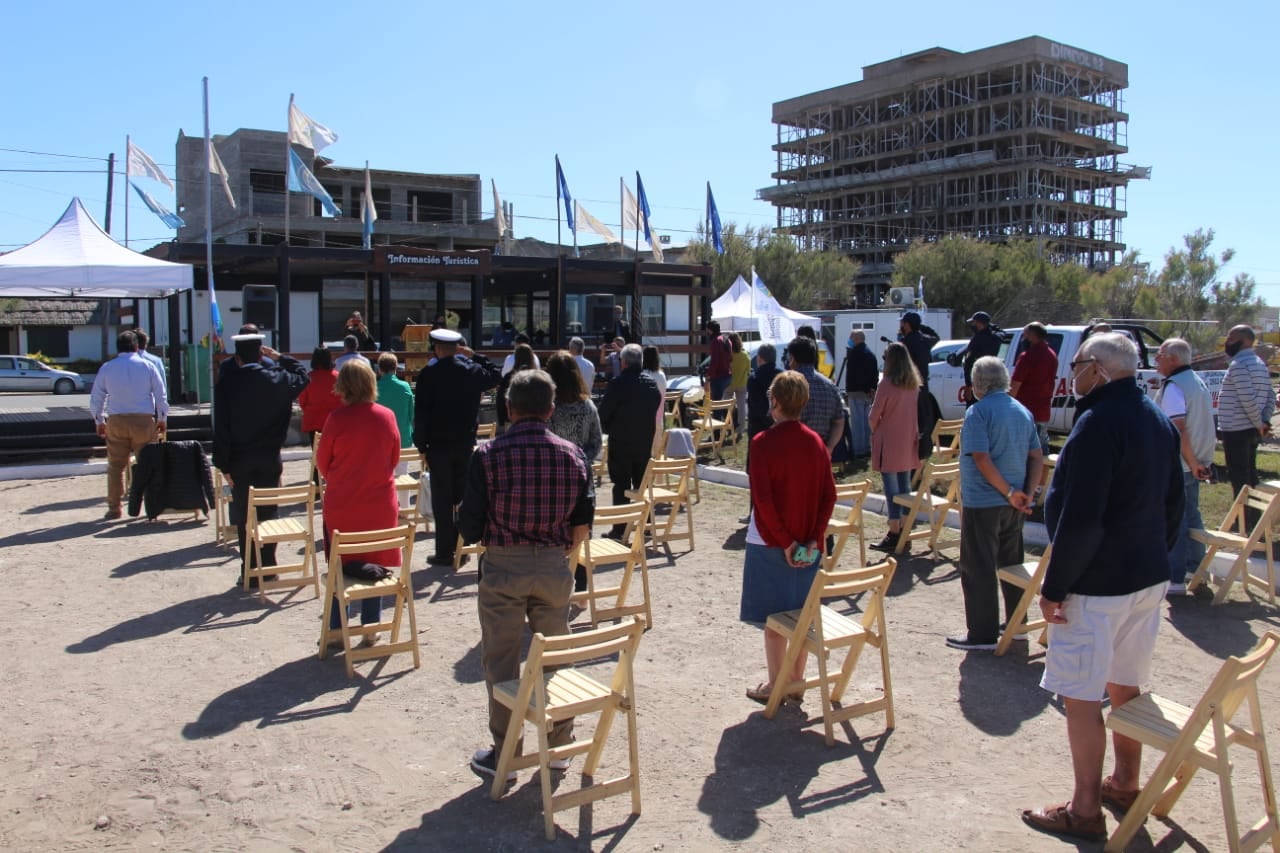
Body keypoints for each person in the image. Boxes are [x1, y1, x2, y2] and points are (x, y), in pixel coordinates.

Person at [1021, 333, 1182, 844]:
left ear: (1099, 368)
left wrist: (1056, 585)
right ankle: (1126, 781)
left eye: (1079, 363)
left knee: (1082, 695)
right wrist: (1152, 553)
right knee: (1125, 682)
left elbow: (1081, 518)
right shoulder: (1153, 416)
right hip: (1146, 576)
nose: (1073, 371)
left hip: (1099, 585)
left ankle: (1085, 806)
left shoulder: (1097, 423)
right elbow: (1172, 504)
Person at [457, 369, 594, 779]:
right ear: (551, 409)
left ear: (509, 407)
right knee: (556, 655)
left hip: (503, 564)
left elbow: (470, 527)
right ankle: (559, 745)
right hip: (553, 562)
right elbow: (582, 520)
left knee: (501, 660)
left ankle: (507, 753)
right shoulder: (573, 455)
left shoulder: (487, 455)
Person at [740, 370, 837, 704]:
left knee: (774, 621)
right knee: (800, 614)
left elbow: (763, 500)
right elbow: (829, 497)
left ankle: (776, 684)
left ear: (775, 401)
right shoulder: (816, 442)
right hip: (807, 542)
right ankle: (796, 679)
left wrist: (787, 541)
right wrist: (813, 538)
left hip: (771, 542)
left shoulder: (762, 444)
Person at [947, 356, 1043, 651]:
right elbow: (1036, 456)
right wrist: (1027, 491)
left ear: (978, 383)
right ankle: (1018, 624)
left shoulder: (978, 412)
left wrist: (1009, 491)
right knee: (1010, 562)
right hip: (1014, 503)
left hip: (985, 501)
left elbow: (981, 458)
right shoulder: (1022, 411)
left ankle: (982, 633)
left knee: (978, 566)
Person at [315, 359, 402, 647]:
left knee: (342, 561)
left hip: (343, 503)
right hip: (380, 502)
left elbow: (323, 463)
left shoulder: (336, 419)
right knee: (373, 560)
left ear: (343, 386)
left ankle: (338, 629)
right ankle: (370, 626)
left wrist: (344, 478)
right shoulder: (387, 416)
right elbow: (394, 458)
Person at [212, 333, 309, 587]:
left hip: (239, 459)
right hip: (269, 456)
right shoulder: (277, 379)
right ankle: (268, 566)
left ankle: (250, 569)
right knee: (269, 512)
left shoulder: (227, 383)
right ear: (261, 354)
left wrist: (223, 464)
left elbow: (220, 427)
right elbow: (303, 376)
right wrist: (280, 357)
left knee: (245, 515)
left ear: (237, 358)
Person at [413, 328, 502, 567]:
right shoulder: (472, 370)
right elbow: (496, 375)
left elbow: (420, 415)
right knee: (462, 498)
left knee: (442, 501)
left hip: (438, 446)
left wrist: (421, 444)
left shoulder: (428, 374)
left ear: (437, 348)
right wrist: (475, 356)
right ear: (457, 348)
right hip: (464, 444)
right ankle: (463, 547)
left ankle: (445, 551)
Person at [1155, 338, 1215, 594]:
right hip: (1196, 461)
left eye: (1160, 355)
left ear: (1173, 358)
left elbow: (1178, 431)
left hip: (1182, 464)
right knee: (1191, 514)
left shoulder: (1175, 386)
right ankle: (1195, 569)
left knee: (1176, 519)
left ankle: (1176, 577)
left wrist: (1191, 462)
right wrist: (1199, 464)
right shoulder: (1195, 381)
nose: (1156, 359)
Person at [90, 330, 168, 520]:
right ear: (136, 346)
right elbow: (160, 394)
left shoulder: (107, 368)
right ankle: (151, 505)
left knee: (116, 466)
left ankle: (114, 507)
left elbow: (96, 397)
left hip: (116, 420)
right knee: (147, 464)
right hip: (143, 419)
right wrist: (162, 418)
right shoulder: (148, 366)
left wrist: (99, 420)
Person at [597, 344, 661, 532]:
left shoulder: (618, 384)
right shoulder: (651, 384)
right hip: (643, 443)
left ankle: (620, 529)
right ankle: (647, 525)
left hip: (621, 443)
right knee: (642, 486)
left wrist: (610, 428)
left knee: (621, 486)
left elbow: (604, 413)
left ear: (623, 362)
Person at [1217, 324, 1274, 522]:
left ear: (1245, 341)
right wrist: (1263, 421)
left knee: (1239, 477)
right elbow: (1270, 396)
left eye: (1231, 338)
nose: (1227, 342)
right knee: (1249, 474)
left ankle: (1241, 521)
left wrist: (1260, 423)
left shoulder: (1240, 365)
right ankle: (1253, 518)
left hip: (1237, 429)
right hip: (1250, 428)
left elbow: (1247, 398)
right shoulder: (1259, 363)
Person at [868, 343, 920, 552]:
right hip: (908, 439)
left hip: (888, 440)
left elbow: (873, 416)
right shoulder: (913, 384)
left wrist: (876, 429)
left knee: (891, 489)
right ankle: (905, 531)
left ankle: (894, 530)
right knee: (904, 488)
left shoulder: (887, 384)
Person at [786, 336, 845, 457]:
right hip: (821, 449)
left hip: (794, 449)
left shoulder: (787, 385)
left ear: (793, 358)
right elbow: (839, 421)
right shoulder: (830, 386)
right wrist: (830, 447)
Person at [1009, 322, 1058, 455]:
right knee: (1041, 448)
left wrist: (1006, 405)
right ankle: (1041, 475)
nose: (1023, 339)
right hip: (1043, 408)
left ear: (1032, 336)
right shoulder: (1052, 355)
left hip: (1026, 409)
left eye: (1025, 336)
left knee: (1025, 451)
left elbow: (1015, 385)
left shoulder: (1028, 356)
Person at [297, 347, 342, 483]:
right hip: (335, 423)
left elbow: (302, 401)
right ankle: (336, 481)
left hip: (314, 422)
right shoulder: (338, 377)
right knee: (337, 454)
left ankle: (317, 485)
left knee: (316, 454)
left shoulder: (308, 378)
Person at [844, 330, 878, 458]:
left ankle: (859, 450)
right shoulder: (871, 354)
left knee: (857, 423)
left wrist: (847, 391)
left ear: (856, 339)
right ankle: (868, 447)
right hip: (868, 392)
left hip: (855, 391)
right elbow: (874, 374)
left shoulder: (854, 355)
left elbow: (850, 375)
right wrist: (873, 388)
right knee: (867, 422)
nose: (850, 341)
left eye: (851, 338)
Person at [961, 311, 1002, 406]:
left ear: (979, 323)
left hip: (978, 379)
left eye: (974, 322)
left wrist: (968, 385)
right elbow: (1002, 333)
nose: (972, 325)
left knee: (974, 408)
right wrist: (992, 327)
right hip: (993, 379)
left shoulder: (977, 339)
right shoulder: (996, 337)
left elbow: (968, 362)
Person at [375, 353, 414, 450]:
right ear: (395, 368)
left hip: (380, 441)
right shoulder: (405, 386)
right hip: (403, 440)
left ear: (379, 369)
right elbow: (412, 414)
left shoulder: (373, 388)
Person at [496, 343, 537, 431]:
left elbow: (500, 398)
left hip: (512, 419)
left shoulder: (509, 376)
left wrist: (502, 420)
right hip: (535, 420)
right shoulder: (537, 376)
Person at [898, 311, 938, 390]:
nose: (901, 326)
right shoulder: (925, 340)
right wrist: (919, 326)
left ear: (907, 325)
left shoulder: (905, 343)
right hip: (923, 385)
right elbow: (936, 337)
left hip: (909, 385)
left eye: (903, 323)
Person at [642, 345, 668, 454]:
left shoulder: (642, 375)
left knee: (645, 455)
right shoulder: (662, 375)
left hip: (644, 420)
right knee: (657, 454)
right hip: (659, 418)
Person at [132, 328, 167, 394]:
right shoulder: (156, 361)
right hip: (150, 401)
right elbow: (162, 385)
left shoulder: (123, 362)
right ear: (146, 344)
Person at [728, 333, 750, 436]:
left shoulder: (728, 355)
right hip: (742, 384)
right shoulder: (745, 355)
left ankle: (727, 426)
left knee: (725, 406)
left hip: (729, 384)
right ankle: (740, 430)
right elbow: (748, 370)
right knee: (742, 408)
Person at [706, 321, 732, 400]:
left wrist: (708, 378)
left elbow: (714, 362)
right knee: (725, 405)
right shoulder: (727, 339)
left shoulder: (715, 341)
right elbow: (730, 358)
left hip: (718, 377)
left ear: (710, 330)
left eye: (707, 329)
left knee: (717, 405)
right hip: (728, 377)